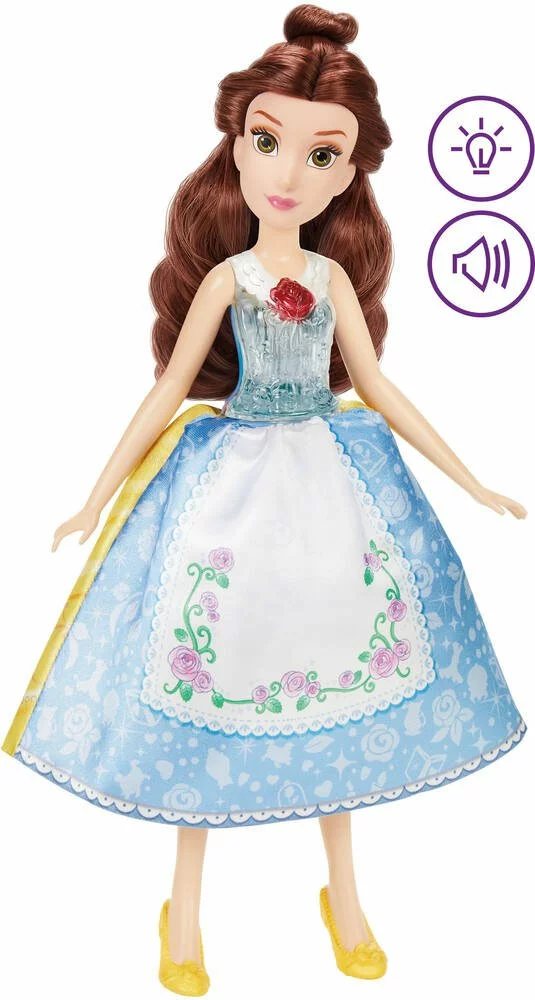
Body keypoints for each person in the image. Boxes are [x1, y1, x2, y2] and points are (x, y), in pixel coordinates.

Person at [2, 4, 528, 995]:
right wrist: (91, 498)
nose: (288, 173)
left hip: (329, 485)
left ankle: (344, 895)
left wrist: (471, 480)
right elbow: (169, 388)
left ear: (348, 172)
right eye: (267, 140)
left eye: (321, 154)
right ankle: (184, 911)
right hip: (233, 486)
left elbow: (375, 387)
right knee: (210, 673)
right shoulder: (229, 278)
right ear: (238, 144)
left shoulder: (329, 277)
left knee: (339, 664)